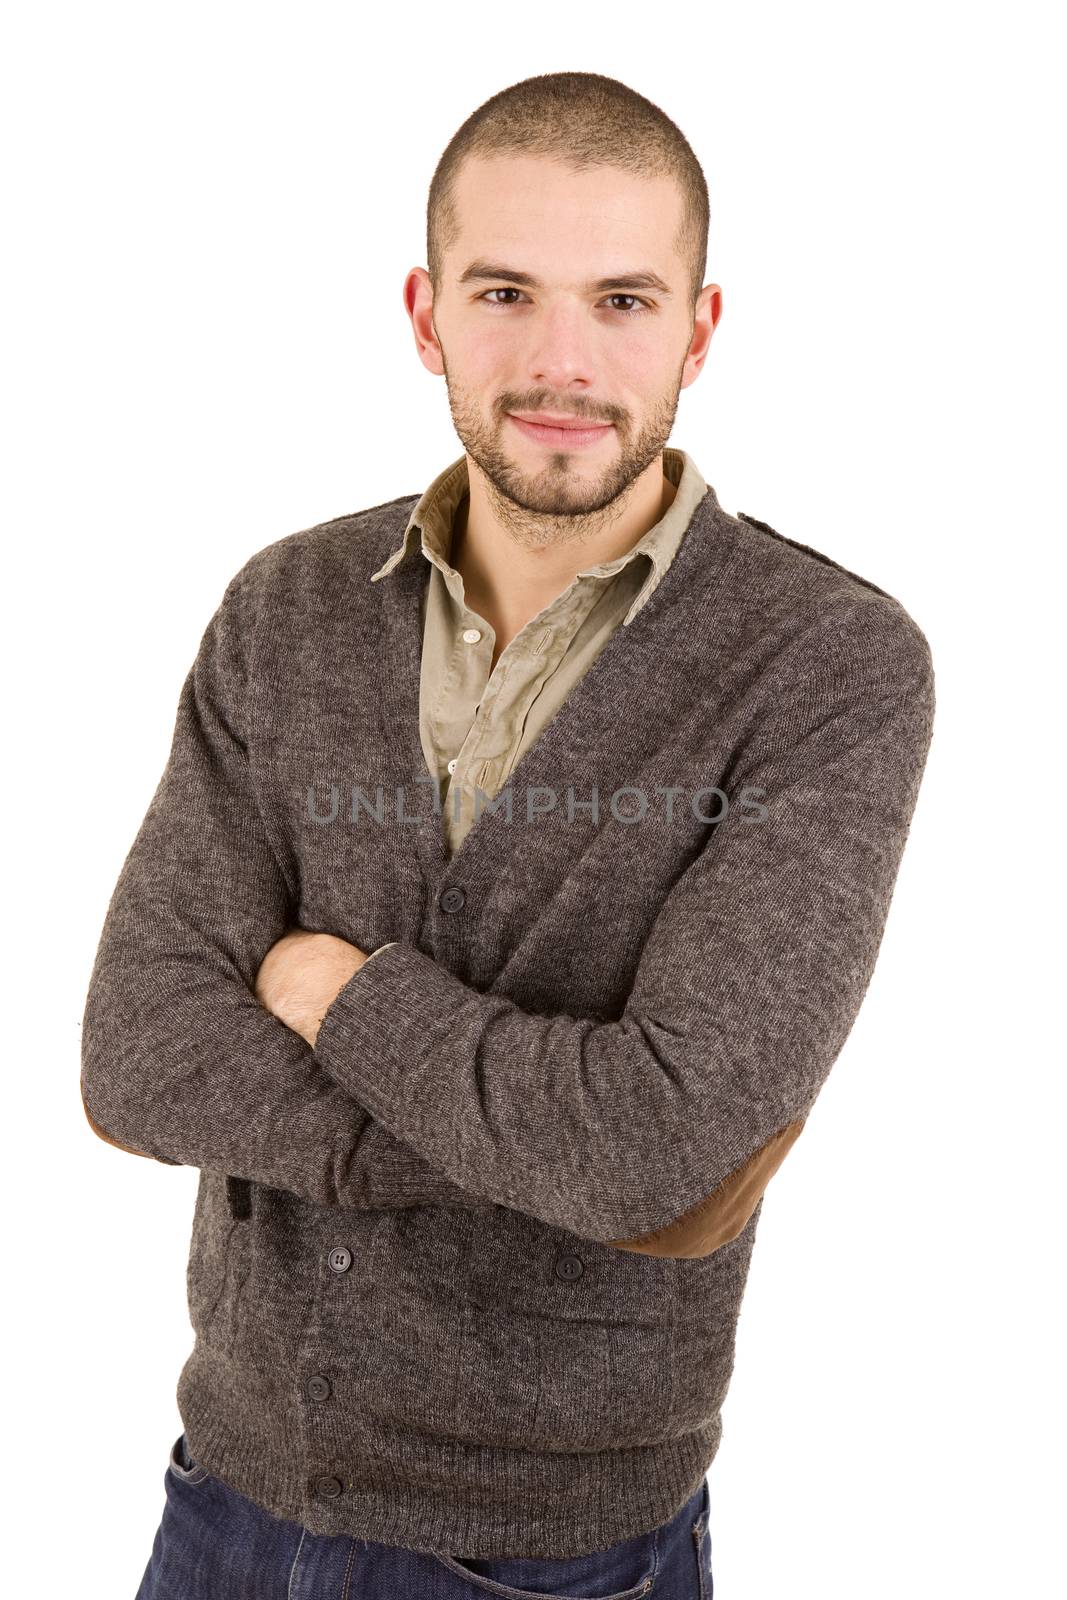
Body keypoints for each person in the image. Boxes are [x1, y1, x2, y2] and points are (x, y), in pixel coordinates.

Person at [82, 70, 934, 1600]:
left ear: (700, 327)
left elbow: (652, 1142)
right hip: (221, 1497)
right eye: (504, 292)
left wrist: (329, 993)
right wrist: (576, 1145)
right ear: (426, 315)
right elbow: (140, 1055)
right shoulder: (285, 610)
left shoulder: (825, 664)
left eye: (621, 299)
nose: (561, 361)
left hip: (552, 1554)